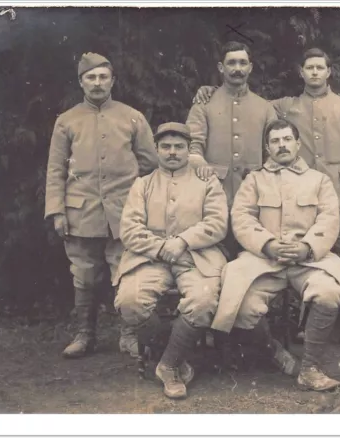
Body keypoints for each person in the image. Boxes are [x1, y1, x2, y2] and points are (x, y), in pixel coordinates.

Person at [195, 48, 340, 352]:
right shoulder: (285, 106)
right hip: (293, 197)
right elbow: (243, 103)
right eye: (309, 67)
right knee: (305, 262)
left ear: (329, 72)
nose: (315, 73)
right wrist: (214, 90)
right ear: (301, 72)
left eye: (321, 67)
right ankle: (309, 329)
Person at [212, 119, 340, 391]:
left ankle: (309, 368)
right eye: (274, 141)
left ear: (298, 144)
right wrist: (267, 244)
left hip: (309, 259)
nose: (281, 145)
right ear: (267, 148)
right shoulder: (254, 180)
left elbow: (328, 220)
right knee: (241, 306)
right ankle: (273, 350)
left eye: (286, 139)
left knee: (329, 293)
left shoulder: (319, 181)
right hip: (262, 260)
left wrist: (307, 247)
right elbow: (242, 218)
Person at [44, 52, 158, 358]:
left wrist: (142, 205)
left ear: (113, 81)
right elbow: (55, 170)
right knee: (84, 275)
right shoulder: (66, 121)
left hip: (125, 214)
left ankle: (129, 334)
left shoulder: (132, 117)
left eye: (102, 77)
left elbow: (149, 166)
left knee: (127, 272)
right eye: (90, 78)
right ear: (81, 82)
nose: (97, 83)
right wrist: (57, 211)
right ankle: (85, 335)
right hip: (81, 213)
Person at [113, 122, 228, 399]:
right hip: (150, 258)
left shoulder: (207, 182)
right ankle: (173, 356)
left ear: (189, 150)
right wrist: (162, 246)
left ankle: (168, 365)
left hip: (196, 256)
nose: (172, 152)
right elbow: (129, 229)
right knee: (129, 302)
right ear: (156, 150)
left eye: (179, 147)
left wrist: (184, 241)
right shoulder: (142, 185)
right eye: (166, 147)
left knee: (202, 302)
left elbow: (217, 222)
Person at [186, 41, 277, 259]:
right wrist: (198, 161)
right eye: (231, 63)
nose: (237, 68)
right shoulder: (204, 104)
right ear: (221, 67)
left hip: (255, 199)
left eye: (243, 63)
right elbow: (193, 144)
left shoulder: (265, 107)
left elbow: (273, 153)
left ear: (250, 67)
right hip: (214, 197)